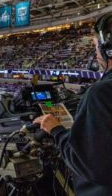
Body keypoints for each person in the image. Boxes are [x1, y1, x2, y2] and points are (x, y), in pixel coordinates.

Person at [33, 13, 112, 195]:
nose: (96, 53)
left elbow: (90, 166)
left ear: (108, 49)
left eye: (96, 47)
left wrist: (56, 130)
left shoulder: (101, 93)